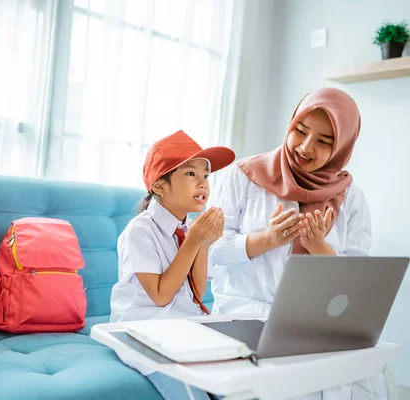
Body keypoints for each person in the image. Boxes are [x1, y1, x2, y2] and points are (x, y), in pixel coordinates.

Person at [206, 87, 381, 399]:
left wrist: (320, 249)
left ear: (342, 146)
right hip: (246, 312)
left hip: (316, 322)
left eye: (324, 141)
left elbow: (356, 284)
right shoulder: (243, 176)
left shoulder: (351, 198)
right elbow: (210, 252)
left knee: (360, 379)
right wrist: (267, 239)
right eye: (300, 131)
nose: (305, 146)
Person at [109, 129, 235, 399]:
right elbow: (160, 295)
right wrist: (193, 242)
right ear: (159, 186)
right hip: (145, 333)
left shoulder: (189, 229)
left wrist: (203, 244)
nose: (202, 183)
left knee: (237, 388)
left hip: (182, 330)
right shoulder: (140, 231)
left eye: (206, 175)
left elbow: (198, 294)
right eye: (191, 174)